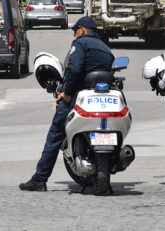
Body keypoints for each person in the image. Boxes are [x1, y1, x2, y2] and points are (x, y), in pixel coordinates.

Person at [19, 16, 114, 192]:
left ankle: (40, 179)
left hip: (80, 99)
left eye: (75, 31)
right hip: (103, 100)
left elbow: (75, 70)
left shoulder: (80, 44)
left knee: (55, 135)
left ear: (82, 30)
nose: (74, 35)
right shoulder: (106, 48)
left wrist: (67, 93)